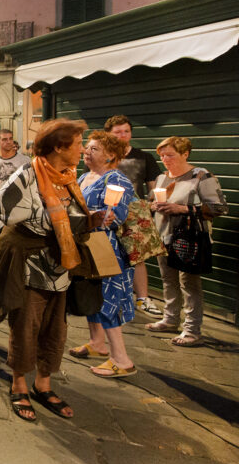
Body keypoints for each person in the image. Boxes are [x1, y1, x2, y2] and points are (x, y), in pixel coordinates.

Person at [0, 119, 101, 423]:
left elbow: (66, 219)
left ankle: (43, 384)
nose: (83, 149)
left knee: (55, 329)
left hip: (62, 265)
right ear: (59, 147)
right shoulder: (27, 175)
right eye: (78, 143)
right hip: (29, 265)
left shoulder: (68, 177)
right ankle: (19, 383)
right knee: (26, 325)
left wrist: (91, 221)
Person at [147, 136, 228, 347]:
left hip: (189, 238)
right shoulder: (163, 177)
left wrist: (183, 209)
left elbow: (219, 207)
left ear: (185, 154)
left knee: (189, 284)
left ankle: (192, 330)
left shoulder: (201, 176)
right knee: (168, 279)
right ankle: (170, 318)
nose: (165, 159)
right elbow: (154, 200)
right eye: (162, 155)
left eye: (170, 155)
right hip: (163, 235)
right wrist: (154, 206)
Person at [68, 131, 138, 377]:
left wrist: (105, 215)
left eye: (94, 149)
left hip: (105, 248)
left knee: (108, 299)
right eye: (87, 147)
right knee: (92, 293)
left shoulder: (117, 179)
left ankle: (122, 359)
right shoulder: (85, 176)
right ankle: (97, 344)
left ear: (111, 155)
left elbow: (115, 217)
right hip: (86, 244)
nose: (87, 152)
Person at [104, 115, 163, 317]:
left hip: (135, 213)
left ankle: (142, 298)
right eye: (118, 132)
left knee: (138, 258)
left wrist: (153, 203)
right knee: (110, 255)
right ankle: (114, 298)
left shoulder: (144, 157)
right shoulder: (103, 156)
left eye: (126, 131)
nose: (123, 135)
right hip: (108, 213)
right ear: (109, 135)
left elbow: (154, 187)